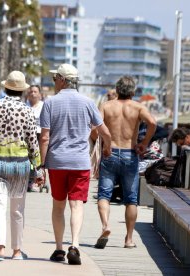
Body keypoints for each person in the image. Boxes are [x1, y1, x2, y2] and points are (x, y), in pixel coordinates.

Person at [39, 63, 111, 265]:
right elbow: (104, 131)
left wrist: (42, 165)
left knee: (58, 206)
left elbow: (45, 137)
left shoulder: (50, 103)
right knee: (76, 205)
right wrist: (108, 148)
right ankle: (75, 246)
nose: (54, 83)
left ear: (62, 80)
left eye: (55, 79)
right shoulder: (87, 102)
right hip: (80, 163)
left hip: (57, 162)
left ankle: (59, 249)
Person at [0, 71, 43, 262]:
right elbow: (33, 142)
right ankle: (17, 251)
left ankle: (0, 249)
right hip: (19, 165)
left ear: (5, 87)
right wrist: (38, 168)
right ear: (22, 91)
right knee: (17, 209)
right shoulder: (27, 111)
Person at [94, 75, 156, 250]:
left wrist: (104, 143)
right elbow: (152, 122)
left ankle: (106, 225)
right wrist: (144, 144)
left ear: (118, 89)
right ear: (133, 91)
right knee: (131, 199)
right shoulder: (138, 107)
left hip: (110, 152)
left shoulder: (106, 106)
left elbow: (94, 127)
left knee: (104, 195)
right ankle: (128, 239)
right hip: (130, 153)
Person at [26, 84, 44, 192]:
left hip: (39, 136)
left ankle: (36, 181)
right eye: (31, 92)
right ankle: (28, 180)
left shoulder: (43, 106)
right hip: (26, 136)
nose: (33, 94)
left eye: (35, 92)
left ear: (40, 95)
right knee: (28, 161)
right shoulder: (25, 106)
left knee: (37, 161)